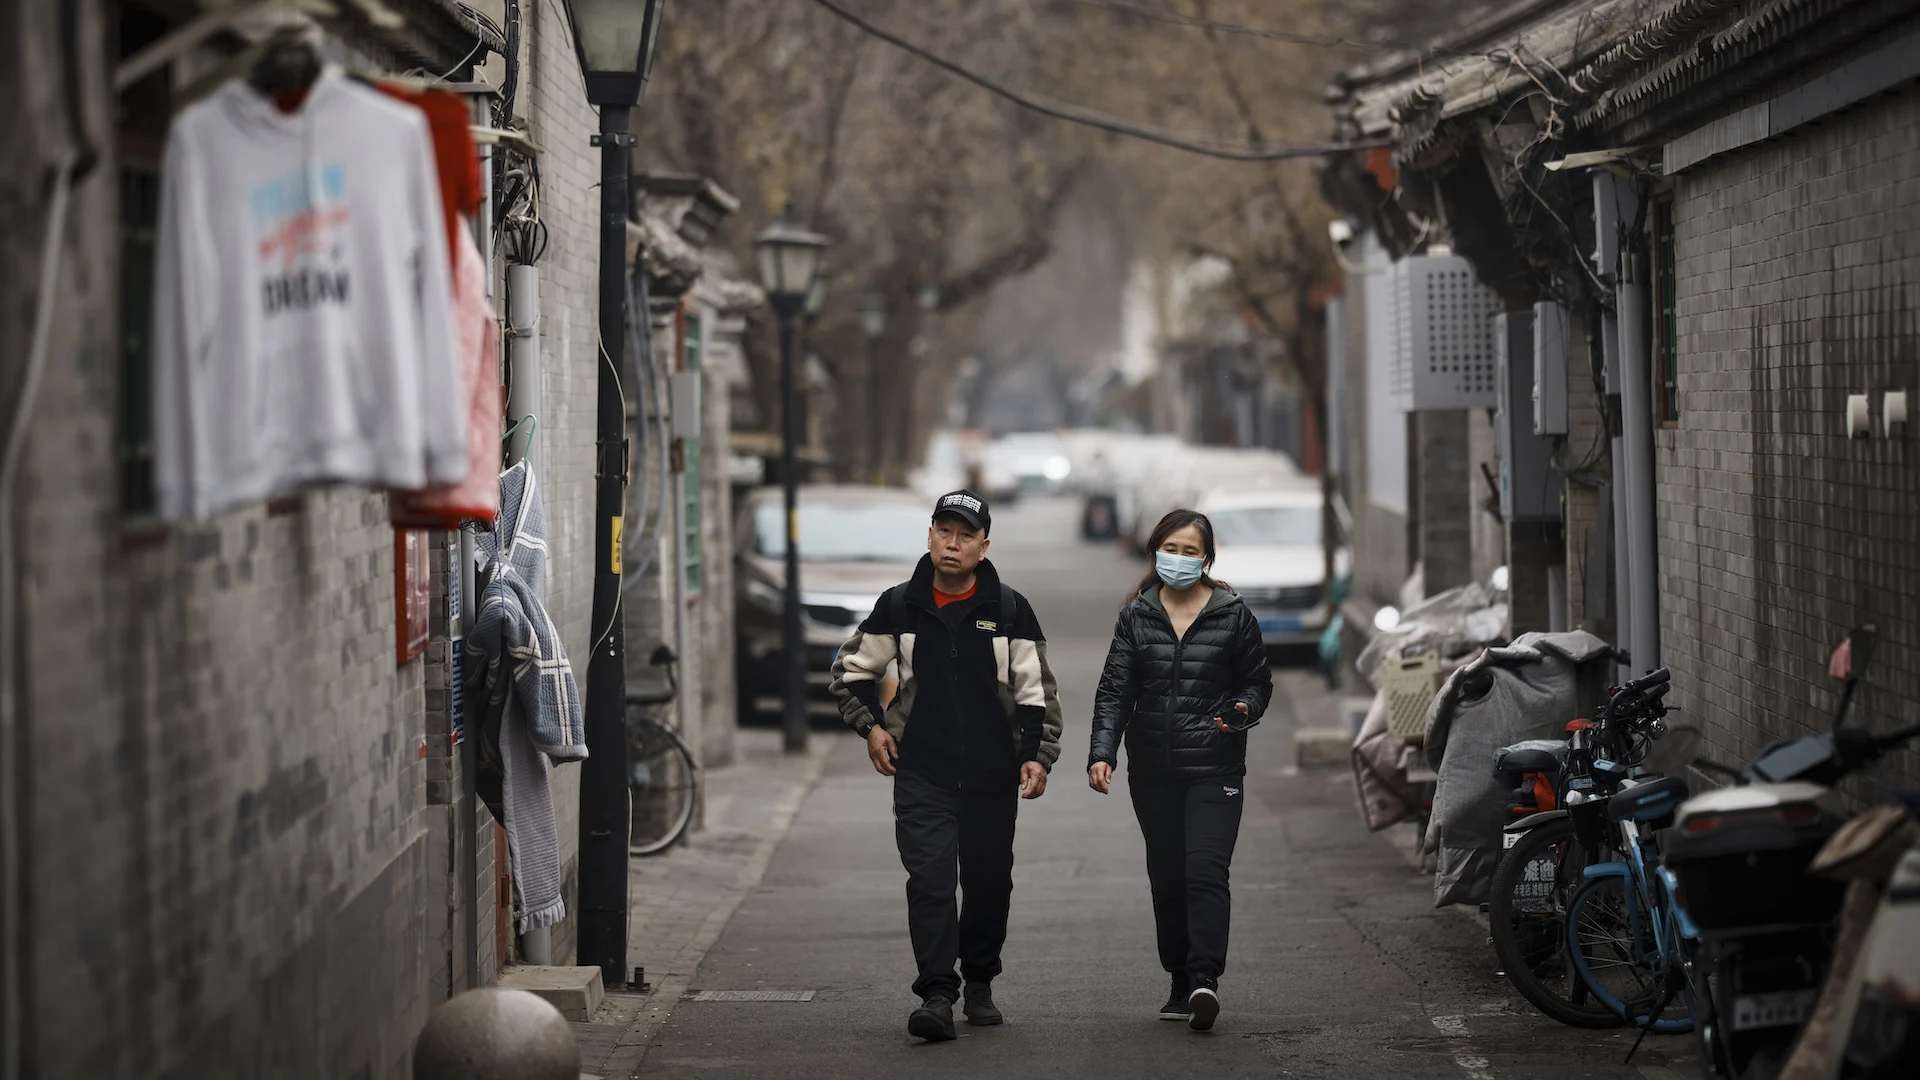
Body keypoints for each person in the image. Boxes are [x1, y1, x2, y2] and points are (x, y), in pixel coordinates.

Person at [829, 489, 1064, 1043]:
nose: (952, 544)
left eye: (964, 535)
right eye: (943, 531)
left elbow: (1036, 694)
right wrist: (873, 729)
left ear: (984, 545)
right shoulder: (900, 606)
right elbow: (849, 674)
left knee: (987, 887)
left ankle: (979, 981)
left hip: (991, 777)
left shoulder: (1008, 609)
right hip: (922, 774)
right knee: (930, 883)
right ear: (930, 535)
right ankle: (937, 993)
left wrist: (1037, 756)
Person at [1088, 508, 1272, 1032]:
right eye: (1172, 548)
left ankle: (1204, 980)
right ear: (1155, 551)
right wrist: (1102, 752)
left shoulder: (1233, 615)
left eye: (1192, 551)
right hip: (1152, 771)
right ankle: (1177, 980)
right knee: (1167, 877)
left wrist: (1242, 711)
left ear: (1207, 559)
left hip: (1215, 765)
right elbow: (1114, 691)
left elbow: (1258, 682)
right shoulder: (1136, 616)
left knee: (1206, 871)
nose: (1180, 559)